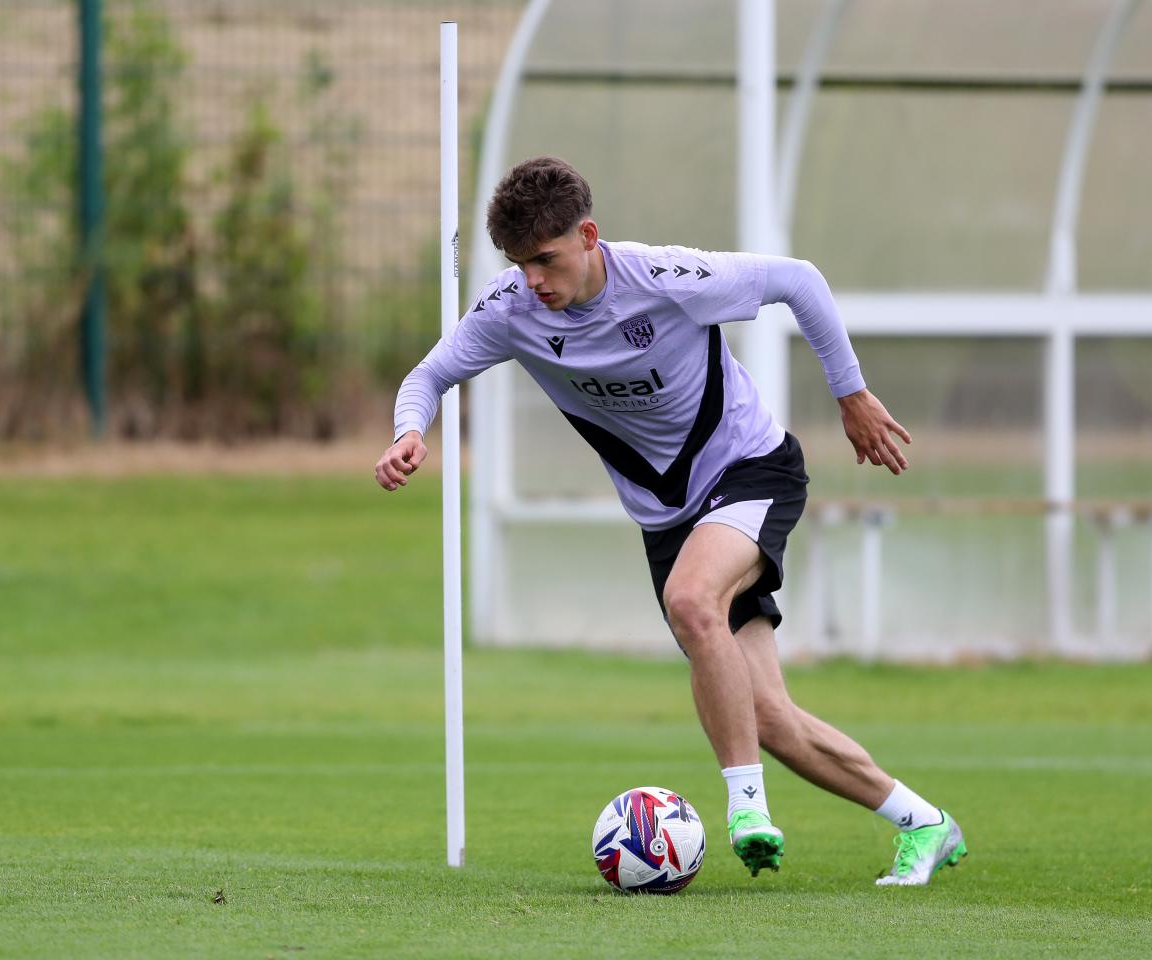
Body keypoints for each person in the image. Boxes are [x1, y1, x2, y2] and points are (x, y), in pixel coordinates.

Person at [375, 156, 966, 886]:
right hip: (667, 519)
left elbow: (800, 281)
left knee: (693, 601)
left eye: (546, 259)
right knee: (768, 717)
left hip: (751, 470)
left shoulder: (667, 279)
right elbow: (428, 375)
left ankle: (746, 810)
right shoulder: (511, 311)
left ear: (588, 235)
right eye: (519, 263)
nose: (533, 279)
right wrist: (411, 431)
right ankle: (924, 824)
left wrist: (851, 394)